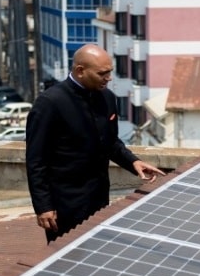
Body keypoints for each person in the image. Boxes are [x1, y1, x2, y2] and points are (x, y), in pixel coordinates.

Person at [25, 44, 165, 243]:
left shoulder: (107, 98)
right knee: (66, 259)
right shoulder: (50, 103)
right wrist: (43, 206)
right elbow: (35, 160)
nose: (108, 78)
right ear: (80, 71)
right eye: (102, 73)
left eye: (110, 72)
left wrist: (133, 162)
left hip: (99, 198)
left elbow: (110, 142)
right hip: (65, 204)